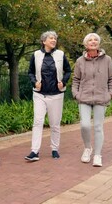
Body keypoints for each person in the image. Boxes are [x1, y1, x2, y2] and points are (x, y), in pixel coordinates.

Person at [24, 31, 72, 162]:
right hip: (39, 94)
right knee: (38, 122)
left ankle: (54, 149)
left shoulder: (61, 54)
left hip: (56, 95)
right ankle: (34, 151)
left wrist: (64, 82)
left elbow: (68, 70)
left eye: (55, 38)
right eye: (51, 38)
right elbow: (30, 72)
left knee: (55, 124)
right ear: (44, 41)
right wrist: (35, 82)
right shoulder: (36, 55)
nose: (54, 40)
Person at [72, 33, 112, 167]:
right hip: (84, 97)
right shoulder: (80, 61)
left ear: (98, 43)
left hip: (101, 97)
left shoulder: (107, 59)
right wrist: (76, 94)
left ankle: (97, 154)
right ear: (86, 45)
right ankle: (87, 148)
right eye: (90, 40)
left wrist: (110, 94)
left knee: (98, 127)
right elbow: (76, 80)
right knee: (84, 124)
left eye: (95, 40)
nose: (93, 42)